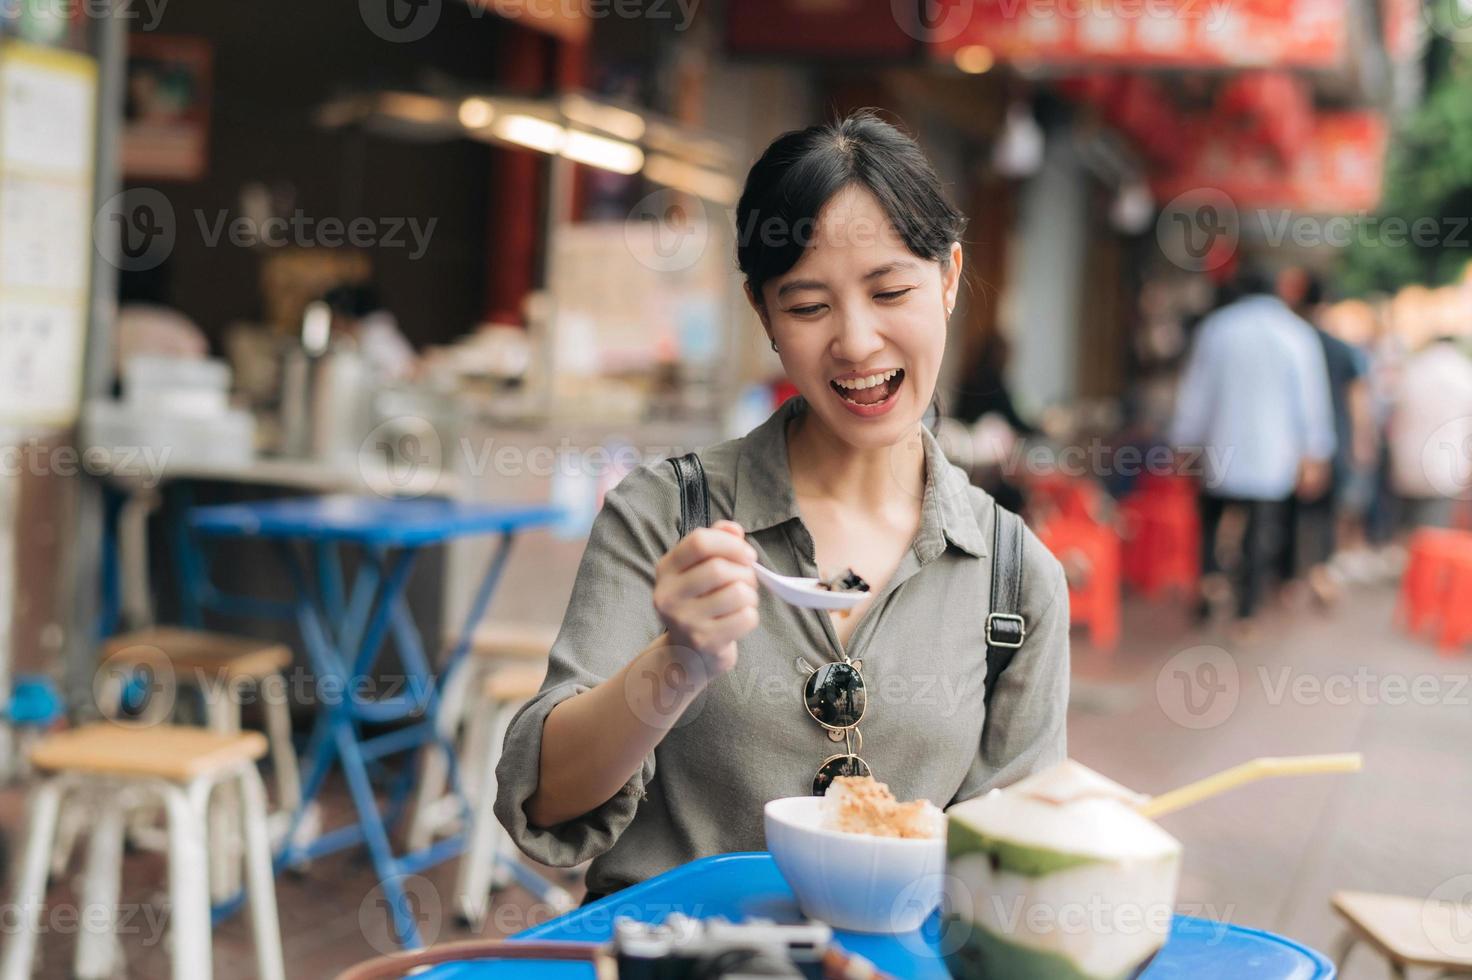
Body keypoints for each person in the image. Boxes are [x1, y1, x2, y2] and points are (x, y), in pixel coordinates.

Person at [494, 112, 1071, 901]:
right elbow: (544, 801)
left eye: (890, 289)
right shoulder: (666, 514)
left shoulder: (1015, 580)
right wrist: (675, 664)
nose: (858, 342)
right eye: (808, 307)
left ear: (948, 277)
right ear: (763, 315)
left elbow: (1008, 874)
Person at [1169, 268, 1336, 637]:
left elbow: (1195, 392)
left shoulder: (1216, 329)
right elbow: (1311, 401)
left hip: (1220, 447)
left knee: (1212, 522)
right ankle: (1246, 612)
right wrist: (1315, 452)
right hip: (1271, 454)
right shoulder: (1296, 334)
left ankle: (1210, 584)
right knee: (1259, 531)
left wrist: (1183, 442)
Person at [1276, 269, 1369, 605]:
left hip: (1290, 445)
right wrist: (1361, 442)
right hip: (1334, 442)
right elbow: (1357, 398)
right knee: (1325, 515)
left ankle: (1288, 579)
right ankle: (1320, 572)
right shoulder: (1341, 349)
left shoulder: (1288, 341)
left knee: (1288, 513)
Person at [1388, 330, 1472, 528]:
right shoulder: (1462, 373)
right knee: (1435, 532)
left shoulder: (1413, 370)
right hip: (1445, 466)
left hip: (1408, 461)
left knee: (1410, 527)